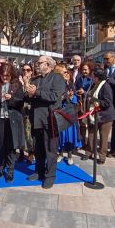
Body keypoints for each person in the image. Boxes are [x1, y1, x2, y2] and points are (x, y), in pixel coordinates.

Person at [25, 56, 67, 189]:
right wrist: (28, 92)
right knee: (38, 148)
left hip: (50, 119)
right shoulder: (36, 79)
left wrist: (36, 92)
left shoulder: (57, 78)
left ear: (48, 64)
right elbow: (30, 97)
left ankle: (50, 176)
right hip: (36, 119)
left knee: (51, 149)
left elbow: (55, 96)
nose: (37, 64)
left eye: (39, 62)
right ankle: (39, 172)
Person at [0, 63, 24, 183]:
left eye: (7, 76)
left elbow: (21, 102)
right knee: (1, 145)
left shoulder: (16, 84)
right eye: (3, 75)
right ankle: (1, 167)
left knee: (12, 146)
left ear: (11, 74)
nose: (5, 78)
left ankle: (11, 170)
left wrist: (11, 99)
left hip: (12, 119)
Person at [84, 67, 115, 164]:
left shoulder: (105, 86)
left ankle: (102, 157)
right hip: (93, 115)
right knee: (91, 134)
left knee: (103, 137)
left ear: (97, 77)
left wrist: (94, 100)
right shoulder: (94, 84)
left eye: (92, 75)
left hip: (105, 116)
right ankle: (88, 153)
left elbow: (108, 102)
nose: (91, 77)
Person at [54, 65, 82, 165]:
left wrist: (71, 97)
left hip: (70, 114)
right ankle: (61, 154)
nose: (67, 74)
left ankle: (69, 155)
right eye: (64, 72)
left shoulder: (70, 84)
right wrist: (64, 97)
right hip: (61, 113)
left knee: (70, 135)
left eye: (67, 72)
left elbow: (75, 100)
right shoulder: (56, 85)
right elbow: (55, 99)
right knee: (62, 135)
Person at [75, 62, 94, 154]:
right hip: (80, 104)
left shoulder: (92, 80)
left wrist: (85, 92)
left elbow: (94, 92)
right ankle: (81, 143)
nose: (84, 71)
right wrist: (77, 92)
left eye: (86, 69)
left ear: (90, 70)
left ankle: (89, 146)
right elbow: (75, 88)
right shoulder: (78, 79)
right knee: (81, 124)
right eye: (83, 69)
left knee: (90, 124)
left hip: (89, 104)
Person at [18, 63, 35, 163]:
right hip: (19, 111)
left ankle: (30, 153)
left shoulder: (34, 82)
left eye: (28, 70)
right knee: (20, 132)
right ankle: (20, 152)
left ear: (31, 72)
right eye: (24, 70)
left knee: (28, 134)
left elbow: (29, 95)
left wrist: (25, 84)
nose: (25, 72)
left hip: (29, 111)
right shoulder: (17, 81)